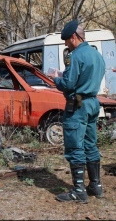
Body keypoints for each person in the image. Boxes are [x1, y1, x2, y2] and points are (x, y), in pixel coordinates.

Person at [50, 20, 105, 203]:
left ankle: (78, 191)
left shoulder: (76, 56)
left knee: (75, 147)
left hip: (78, 105)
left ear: (74, 36)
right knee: (91, 144)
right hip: (93, 104)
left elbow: (68, 84)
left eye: (67, 40)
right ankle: (96, 186)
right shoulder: (97, 55)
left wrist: (56, 79)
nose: (66, 44)